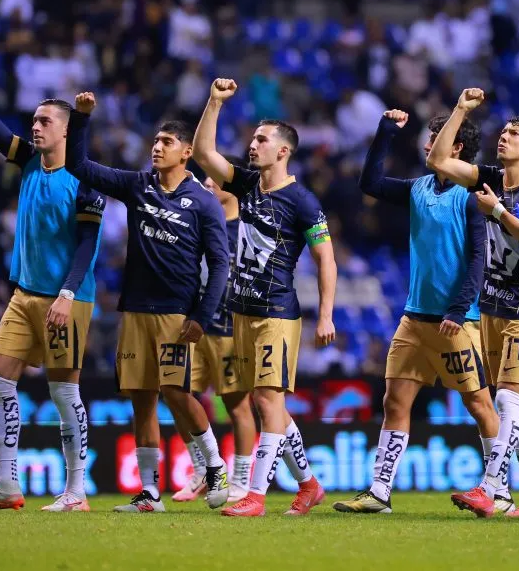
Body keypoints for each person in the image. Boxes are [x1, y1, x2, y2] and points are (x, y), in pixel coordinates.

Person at [0, 33, 105, 514]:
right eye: (35, 120)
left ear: (66, 131)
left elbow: (87, 245)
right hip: (25, 296)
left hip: (69, 298)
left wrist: (66, 293)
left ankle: (77, 491)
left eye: (45, 121)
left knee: (65, 391)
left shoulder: (87, 180)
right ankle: (7, 485)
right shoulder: (26, 161)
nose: (35, 127)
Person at [65, 95, 231, 514]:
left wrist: (201, 315)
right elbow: (79, 167)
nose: (156, 147)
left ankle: (215, 464)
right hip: (135, 308)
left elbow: (220, 264)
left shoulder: (205, 202)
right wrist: (82, 119)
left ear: (186, 151)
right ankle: (150, 494)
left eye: (165, 142)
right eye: (154, 142)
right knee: (141, 398)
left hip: (176, 313)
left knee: (175, 392)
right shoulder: (138, 185)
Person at [334, 98, 495, 514]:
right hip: (414, 318)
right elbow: (370, 183)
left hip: (455, 322)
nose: (427, 147)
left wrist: (458, 311)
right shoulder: (418, 188)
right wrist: (386, 131)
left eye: (436, 140)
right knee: (394, 402)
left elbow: (479, 258)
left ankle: (498, 487)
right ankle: (380, 492)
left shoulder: (472, 193)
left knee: (479, 404)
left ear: (456, 148)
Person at [192, 79, 335, 517]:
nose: (252, 144)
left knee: (268, 401)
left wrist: (325, 315)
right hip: (241, 312)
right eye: (253, 137)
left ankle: (255, 494)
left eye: (261, 139)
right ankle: (309, 485)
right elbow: (203, 155)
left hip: (277, 312)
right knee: (263, 401)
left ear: (283, 151)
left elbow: (326, 259)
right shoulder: (247, 184)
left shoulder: (303, 202)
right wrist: (214, 103)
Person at [426, 92, 519, 518]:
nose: (503, 137)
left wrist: (499, 210)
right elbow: (439, 161)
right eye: (502, 131)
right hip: (490, 308)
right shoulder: (487, 176)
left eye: (515, 133)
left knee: (507, 396)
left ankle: (493, 485)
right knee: (516, 402)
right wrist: (461, 112)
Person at [171, 162, 258, 505]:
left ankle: (240, 478)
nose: (206, 182)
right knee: (178, 396)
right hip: (193, 325)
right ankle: (202, 470)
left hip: (228, 328)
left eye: (213, 180)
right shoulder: (200, 222)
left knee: (237, 405)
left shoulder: (245, 229)